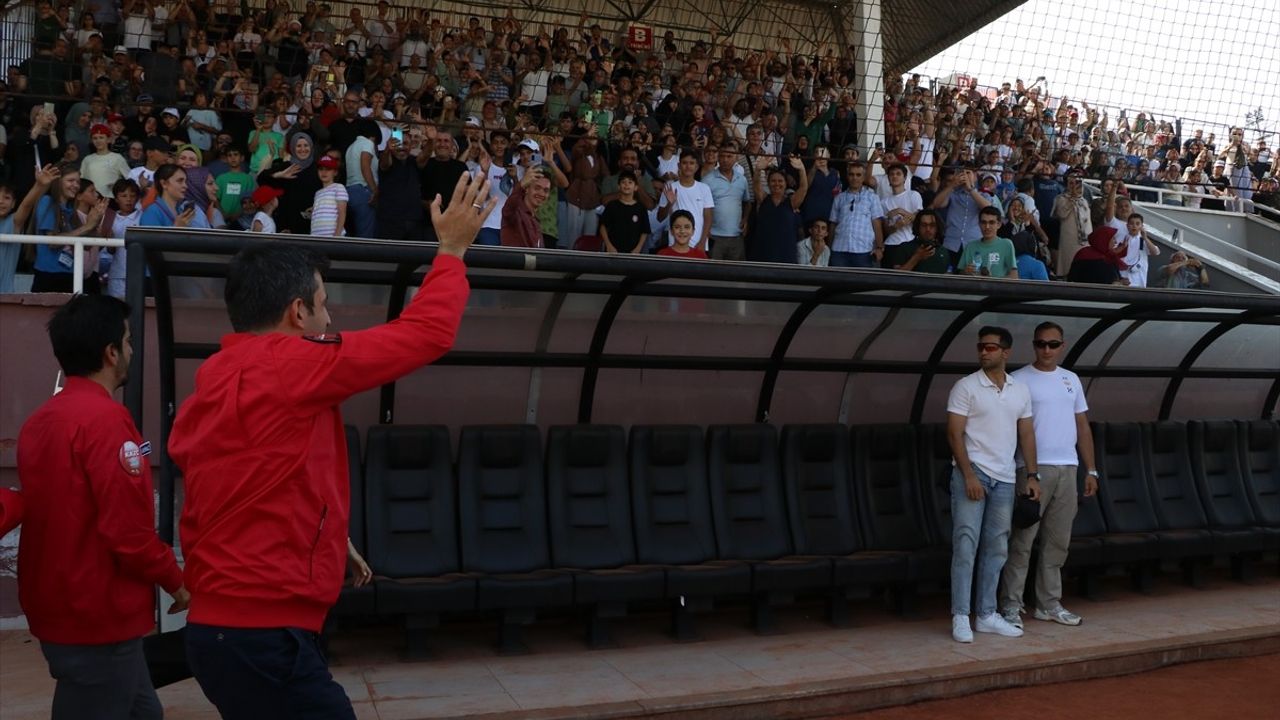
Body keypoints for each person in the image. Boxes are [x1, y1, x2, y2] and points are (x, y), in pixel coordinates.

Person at [168, 172, 495, 719]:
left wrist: (328, 537)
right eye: (323, 304)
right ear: (298, 312)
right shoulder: (290, 363)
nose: (330, 317)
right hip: (263, 635)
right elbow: (426, 334)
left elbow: (253, 481)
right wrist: (454, 250)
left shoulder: (219, 373)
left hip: (226, 630)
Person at [18, 293, 189, 720]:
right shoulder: (107, 423)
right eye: (129, 341)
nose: (132, 350)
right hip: (97, 615)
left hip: (60, 606)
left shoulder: (40, 421)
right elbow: (128, 534)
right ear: (111, 353)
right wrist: (178, 582)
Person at [1000, 322, 1097, 630]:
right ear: (1033, 345)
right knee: (1023, 541)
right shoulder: (1017, 380)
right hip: (1031, 470)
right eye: (1041, 344)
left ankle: (1048, 603)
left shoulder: (1071, 380)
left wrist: (1090, 469)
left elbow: (1082, 426)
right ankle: (1011, 606)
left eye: (1052, 344)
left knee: (1057, 541)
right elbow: (1006, 427)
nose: (1046, 350)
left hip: (1067, 467)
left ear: (1062, 346)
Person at [947, 326, 1040, 643]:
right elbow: (953, 434)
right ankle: (961, 615)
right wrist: (969, 475)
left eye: (990, 348)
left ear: (1006, 352)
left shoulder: (1019, 390)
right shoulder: (965, 386)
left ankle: (986, 614)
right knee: (965, 544)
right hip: (972, 473)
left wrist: (1032, 474)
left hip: (1005, 477)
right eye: (981, 347)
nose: (984, 352)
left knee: (997, 548)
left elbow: (1026, 433)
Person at [828, 162, 884, 267]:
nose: (855, 178)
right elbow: (833, 225)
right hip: (839, 249)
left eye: (858, 175)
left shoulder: (872, 197)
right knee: (837, 283)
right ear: (847, 176)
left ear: (863, 177)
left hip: (863, 250)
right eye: (851, 174)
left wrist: (879, 248)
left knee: (862, 283)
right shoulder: (839, 198)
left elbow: (877, 223)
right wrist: (829, 248)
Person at [959, 207, 1019, 278]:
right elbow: (960, 274)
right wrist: (966, 271)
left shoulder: (1006, 244)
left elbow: (1014, 276)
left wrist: (992, 281)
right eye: (983, 222)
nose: (987, 226)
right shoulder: (970, 246)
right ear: (979, 224)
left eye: (991, 222)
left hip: (998, 289)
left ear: (999, 225)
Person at [599, 170, 650, 254]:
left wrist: (638, 248)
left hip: (633, 253)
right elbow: (602, 227)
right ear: (618, 186)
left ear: (636, 187)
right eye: (623, 182)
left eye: (630, 182)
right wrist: (608, 245)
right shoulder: (612, 206)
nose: (626, 185)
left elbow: (644, 231)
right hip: (614, 252)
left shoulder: (641, 208)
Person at [501, 167, 550, 248]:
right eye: (537, 188)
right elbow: (508, 208)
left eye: (546, 190)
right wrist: (521, 185)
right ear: (527, 189)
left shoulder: (536, 221)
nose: (541, 193)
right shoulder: (515, 212)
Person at [890, 209, 950, 273]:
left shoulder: (943, 251)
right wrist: (917, 257)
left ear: (937, 227)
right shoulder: (904, 248)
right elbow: (896, 276)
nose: (928, 229)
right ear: (918, 226)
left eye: (932, 225)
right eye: (924, 225)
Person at [1114, 212, 1160, 288]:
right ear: (1127, 225)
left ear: (1142, 226)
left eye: (1137, 224)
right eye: (1131, 223)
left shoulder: (1143, 241)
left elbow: (1155, 252)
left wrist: (1145, 237)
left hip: (1139, 279)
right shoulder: (1121, 239)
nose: (1134, 226)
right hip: (1123, 278)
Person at [311, 155, 348, 236]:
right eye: (321, 169)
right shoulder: (317, 193)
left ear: (335, 172)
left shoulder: (339, 187)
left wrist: (337, 235)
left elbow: (342, 213)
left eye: (328, 169)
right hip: (316, 236)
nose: (324, 172)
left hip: (332, 236)